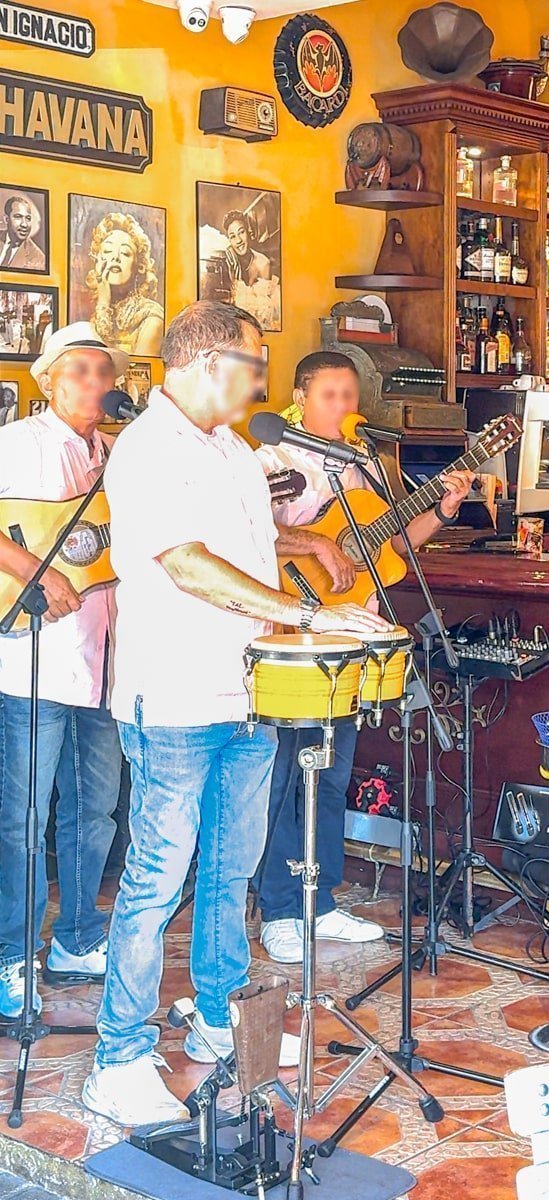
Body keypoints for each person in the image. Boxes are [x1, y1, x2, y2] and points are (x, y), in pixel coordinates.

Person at [82, 302, 389, 1127]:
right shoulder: (149, 449)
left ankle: (216, 1020)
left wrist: (315, 587)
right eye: (254, 364)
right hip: (175, 698)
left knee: (232, 872)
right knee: (154, 882)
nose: (262, 381)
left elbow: (251, 549)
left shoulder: (234, 449)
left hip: (247, 689)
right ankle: (117, 1059)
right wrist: (303, 617)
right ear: (205, 360)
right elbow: (187, 564)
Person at [254, 351, 474, 964]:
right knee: (288, 777)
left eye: (351, 395)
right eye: (331, 394)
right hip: (292, 629)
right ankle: (278, 908)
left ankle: (319, 903)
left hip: (355, 634)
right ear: (301, 395)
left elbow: (395, 543)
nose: (344, 406)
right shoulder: (268, 458)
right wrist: (319, 542)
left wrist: (442, 508)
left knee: (332, 775)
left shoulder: (364, 465)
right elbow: (249, 534)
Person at [0, 322, 127, 1019]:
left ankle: (76, 939)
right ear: (48, 380)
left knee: (95, 811)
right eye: (79, 371)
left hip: (104, 659)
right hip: (30, 659)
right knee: (21, 820)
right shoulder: (17, 443)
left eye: (102, 372)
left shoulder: (114, 451)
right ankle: (9, 960)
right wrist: (34, 573)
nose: (95, 384)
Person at [85, 212, 164, 357]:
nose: (115, 257)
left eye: (125, 253)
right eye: (108, 251)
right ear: (97, 261)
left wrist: (103, 305)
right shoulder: (92, 312)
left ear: (139, 265)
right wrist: (103, 304)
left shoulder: (151, 316)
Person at [223, 210, 272, 287]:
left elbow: (265, 298)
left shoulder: (263, 264)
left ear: (248, 232)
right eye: (233, 236)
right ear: (229, 240)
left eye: (241, 232)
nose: (238, 240)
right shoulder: (227, 262)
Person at [0, 196, 46, 272]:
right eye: (18, 217)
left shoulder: (38, 258)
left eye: (28, 218)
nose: (24, 224)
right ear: (6, 219)